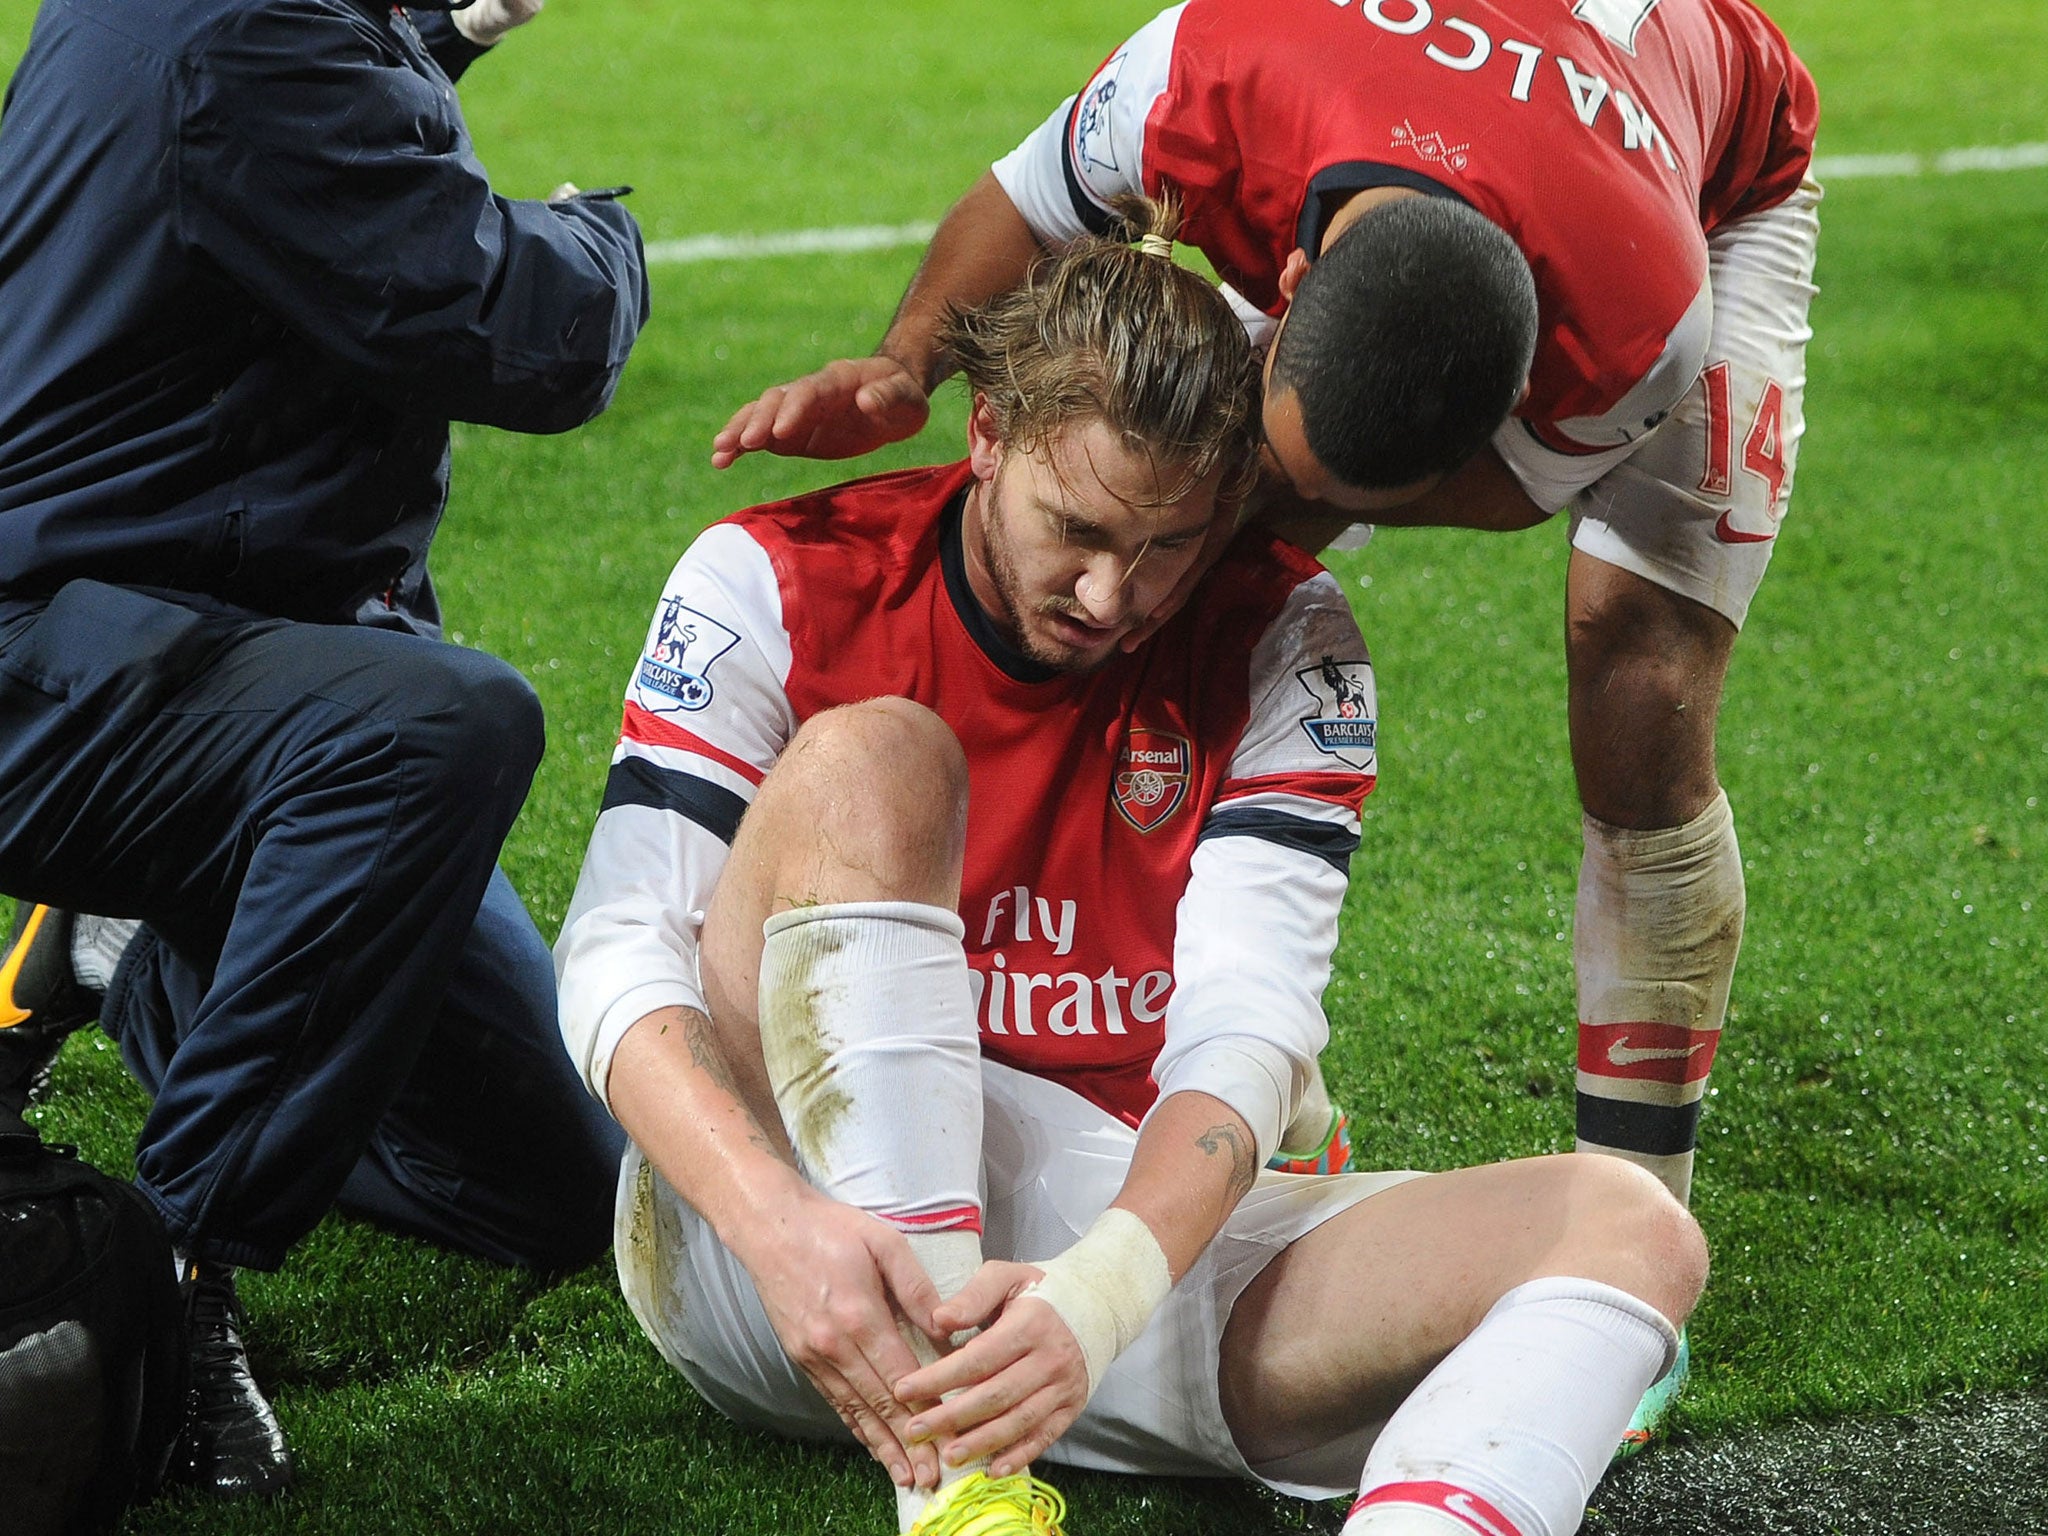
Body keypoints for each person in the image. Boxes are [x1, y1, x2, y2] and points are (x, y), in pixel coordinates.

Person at [712, 0, 1818, 1439]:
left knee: (1637, 670)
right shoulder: (1212, 64)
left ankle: (1633, 1219)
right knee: (1158, 525)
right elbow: (1020, 198)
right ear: (1283, 279)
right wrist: (907, 366)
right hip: (1433, 120)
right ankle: (1224, 1079)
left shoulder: (1642, 329)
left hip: (1711, 180)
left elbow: (1477, 482)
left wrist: (1247, 514)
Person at [560, 211, 1706, 1536]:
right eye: (1079, 528)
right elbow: (615, 950)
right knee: (880, 763)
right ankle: (964, 1489)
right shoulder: (775, 576)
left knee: (1628, 1229)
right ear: (985, 432)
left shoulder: (1286, 636)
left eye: (1168, 547)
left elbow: (1247, 1029)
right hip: (785, 1253)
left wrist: (1091, 1303)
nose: (1113, 596)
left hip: (1084, 1255)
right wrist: (773, 1231)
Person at [0, 0, 647, 1498]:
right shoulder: (256, 42)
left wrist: (430, 37)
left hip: (200, 643)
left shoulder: (248, 26)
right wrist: (601, 244)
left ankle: (133, 964)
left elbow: (283, 166)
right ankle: (176, 1270)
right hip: (65, 654)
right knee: (437, 730)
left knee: (561, 1191)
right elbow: (531, 337)